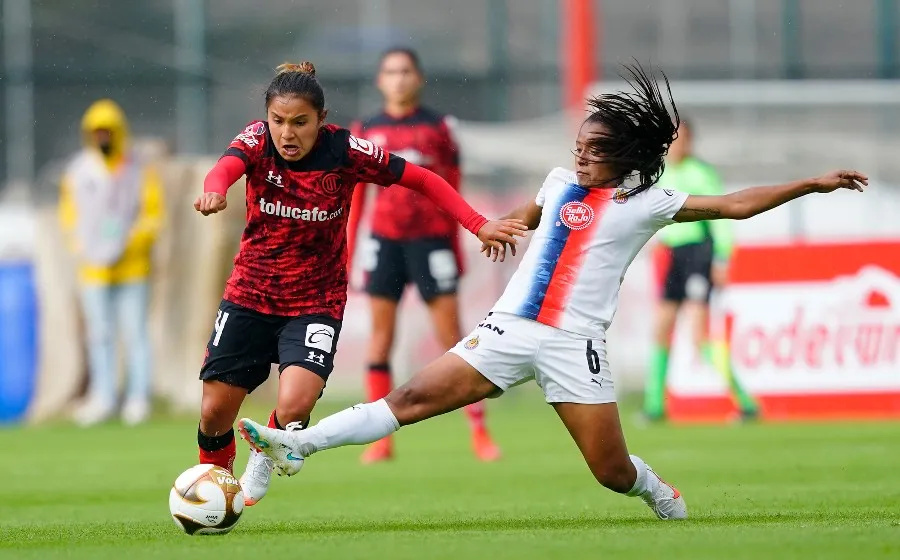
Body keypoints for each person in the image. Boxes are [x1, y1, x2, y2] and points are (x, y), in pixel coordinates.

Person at [237, 63, 866, 520]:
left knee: (611, 473)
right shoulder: (561, 179)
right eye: (579, 146)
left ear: (624, 155)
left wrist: (810, 183)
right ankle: (295, 445)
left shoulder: (648, 202)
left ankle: (659, 494)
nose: (581, 155)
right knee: (411, 396)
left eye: (594, 149)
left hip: (574, 345)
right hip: (509, 328)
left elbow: (732, 205)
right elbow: (535, 216)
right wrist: (503, 225)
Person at [193, 61, 526, 506]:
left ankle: (262, 455)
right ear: (267, 118)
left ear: (322, 120)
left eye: (300, 122)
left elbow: (424, 178)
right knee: (215, 410)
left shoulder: (346, 151)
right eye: (278, 121)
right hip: (251, 294)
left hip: (315, 300)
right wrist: (216, 189)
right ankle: (214, 487)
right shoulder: (256, 140)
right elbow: (225, 168)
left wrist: (478, 224)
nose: (287, 134)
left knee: (294, 406)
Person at [347, 47, 500, 463]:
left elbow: (451, 187)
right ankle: (381, 440)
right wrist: (348, 251)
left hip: (431, 242)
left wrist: (455, 245)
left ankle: (480, 433)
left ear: (419, 78)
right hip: (384, 242)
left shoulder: (438, 128)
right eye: (390, 72)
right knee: (381, 340)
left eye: (405, 71)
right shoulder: (366, 129)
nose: (398, 78)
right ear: (381, 81)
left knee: (454, 339)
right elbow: (356, 195)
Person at [59, 99, 165, 427]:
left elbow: (152, 214)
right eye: (96, 132)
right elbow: (69, 214)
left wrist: (131, 242)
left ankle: (138, 397)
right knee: (99, 334)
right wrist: (80, 245)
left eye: (107, 131)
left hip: (131, 267)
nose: (102, 137)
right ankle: (103, 396)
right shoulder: (79, 170)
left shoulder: (137, 168)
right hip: (94, 269)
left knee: (134, 333)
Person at [644, 119, 758, 421]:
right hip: (672, 256)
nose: (677, 144)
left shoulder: (701, 174)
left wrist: (721, 259)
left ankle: (745, 402)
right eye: (672, 139)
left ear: (691, 142)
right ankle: (655, 406)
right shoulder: (658, 173)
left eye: (682, 138)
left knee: (698, 335)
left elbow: (721, 217)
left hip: (698, 253)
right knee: (662, 327)